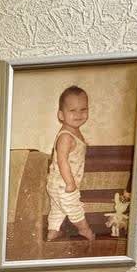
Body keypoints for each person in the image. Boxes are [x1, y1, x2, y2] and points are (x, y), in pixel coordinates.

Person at [45, 85, 95, 242]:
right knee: (74, 209)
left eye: (83, 109)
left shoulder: (74, 133)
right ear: (61, 115)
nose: (79, 114)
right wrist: (70, 183)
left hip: (58, 184)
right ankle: (85, 230)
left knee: (58, 209)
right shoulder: (66, 137)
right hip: (64, 184)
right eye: (72, 110)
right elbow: (62, 160)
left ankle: (52, 232)